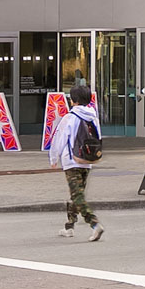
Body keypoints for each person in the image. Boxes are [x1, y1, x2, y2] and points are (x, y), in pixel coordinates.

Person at [48, 81, 104, 242]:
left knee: (77, 195)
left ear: (74, 100)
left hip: (71, 160)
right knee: (77, 194)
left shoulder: (69, 118)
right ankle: (69, 226)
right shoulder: (93, 117)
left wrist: (54, 158)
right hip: (87, 160)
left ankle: (94, 223)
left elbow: (59, 138)